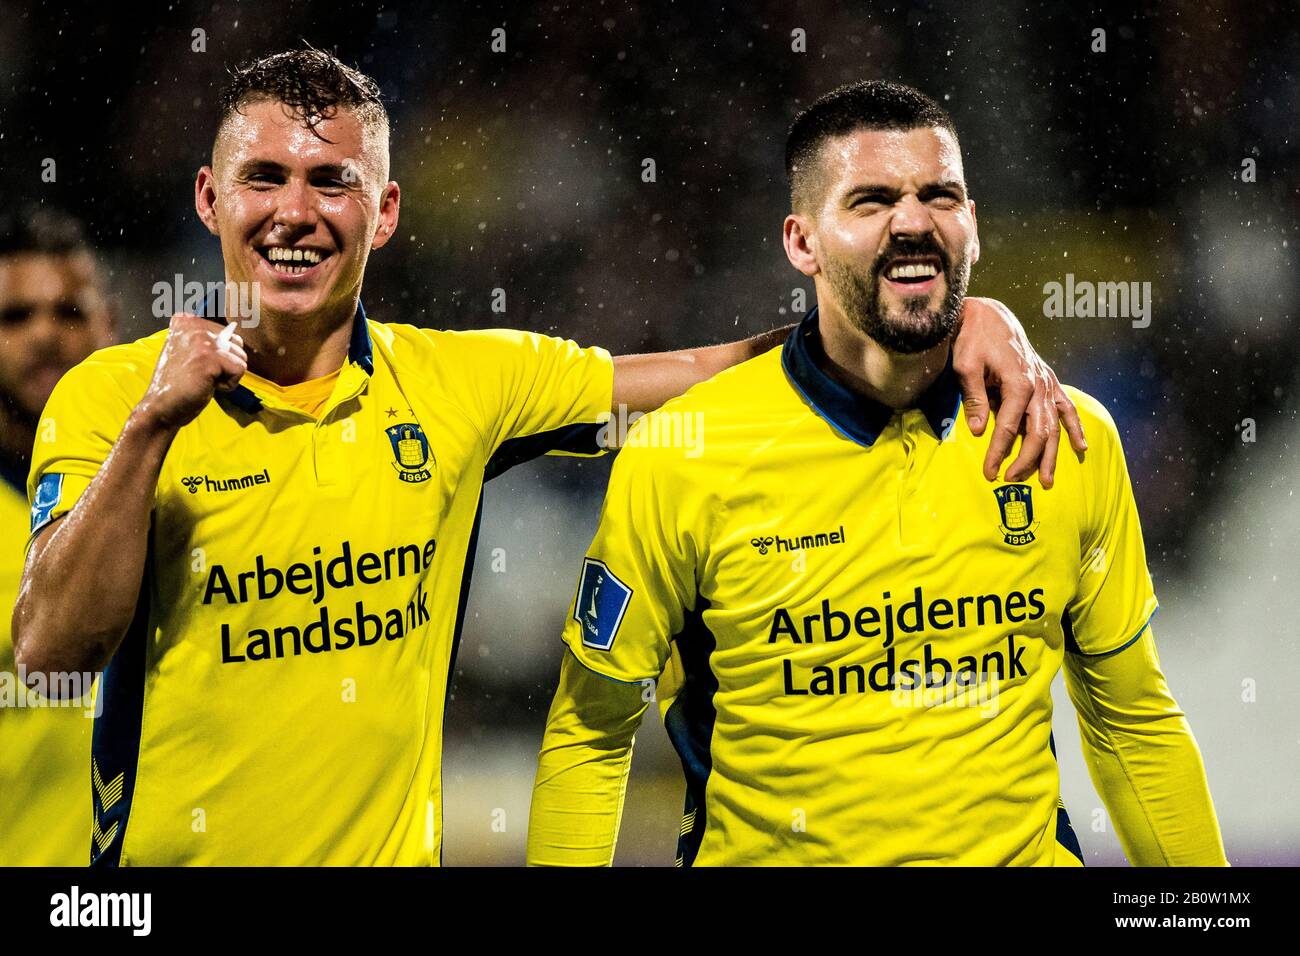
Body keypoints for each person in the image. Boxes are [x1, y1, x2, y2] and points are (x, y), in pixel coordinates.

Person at [14, 51, 1076, 866]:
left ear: (382, 213)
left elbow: (719, 369)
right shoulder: (109, 397)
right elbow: (52, 655)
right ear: (211, 199)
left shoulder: (465, 384)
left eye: (332, 180)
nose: (297, 210)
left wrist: (952, 316)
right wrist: (156, 426)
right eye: (265, 178)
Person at [526, 80, 1227, 867]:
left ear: (973, 225)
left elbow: (1132, 717)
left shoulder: (1062, 432)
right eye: (871, 201)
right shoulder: (685, 453)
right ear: (802, 243)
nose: (914, 222)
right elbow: (591, 729)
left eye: (941, 195)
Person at [0, 208, 114, 864]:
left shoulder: (178, 487)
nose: (44, 334)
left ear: (111, 324)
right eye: (15, 317)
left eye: (69, 312)